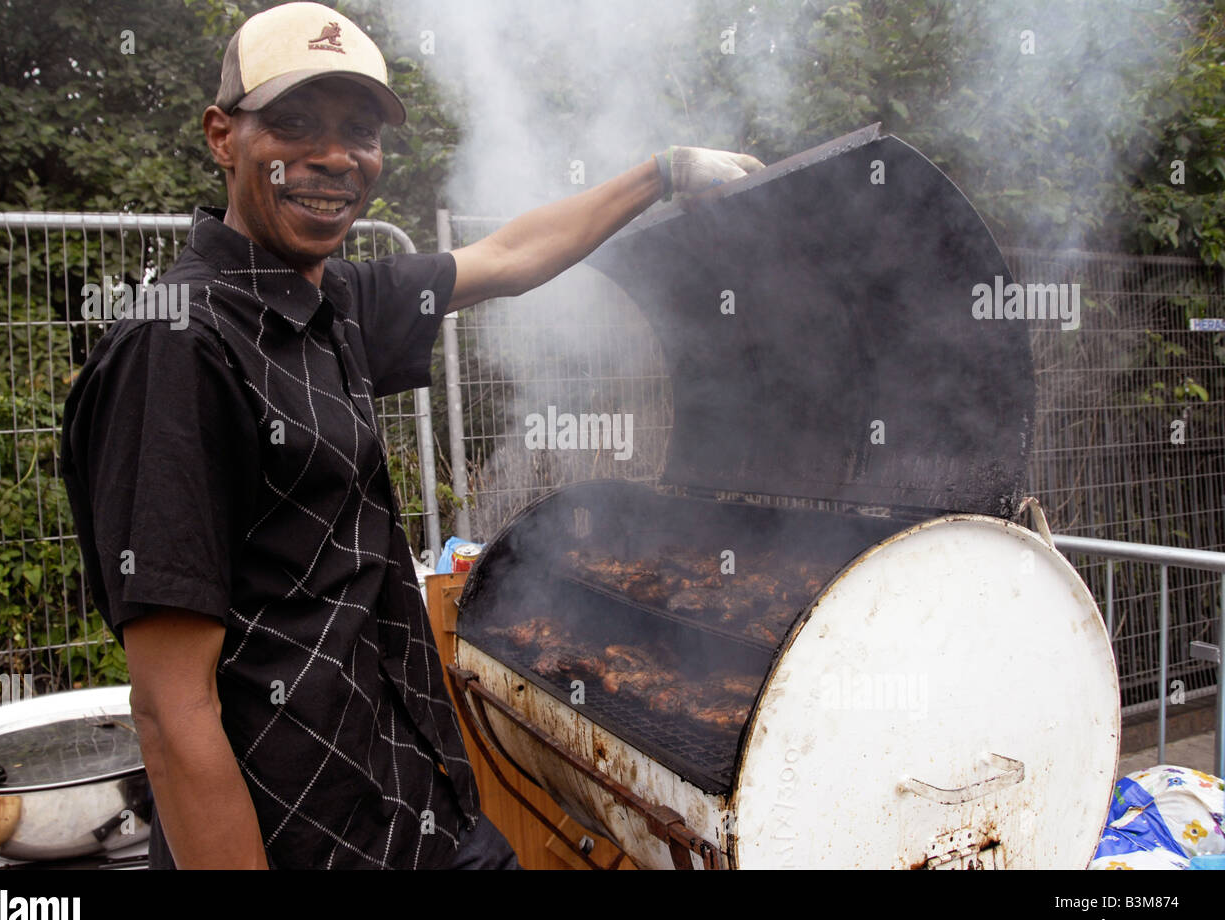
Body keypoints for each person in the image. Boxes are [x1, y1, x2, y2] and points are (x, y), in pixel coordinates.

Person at [59, 0, 762, 870]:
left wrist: (659, 173)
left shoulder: (334, 304)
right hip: (303, 844)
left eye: (359, 130)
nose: (332, 156)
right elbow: (171, 712)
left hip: (417, 808)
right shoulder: (178, 349)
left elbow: (509, 257)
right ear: (221, 136)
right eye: (293, 123)